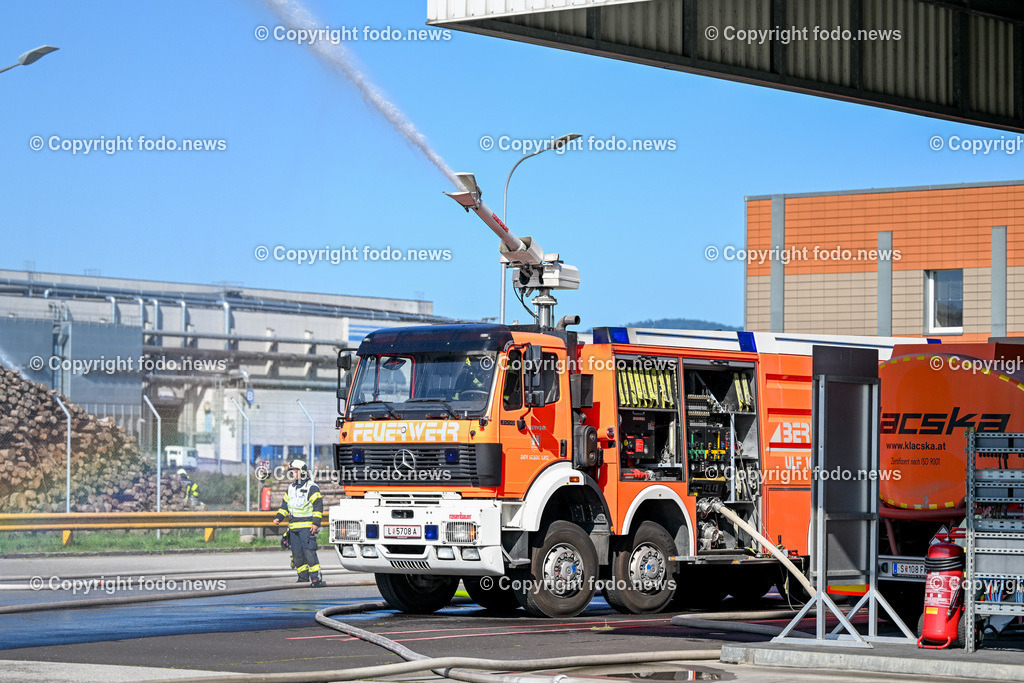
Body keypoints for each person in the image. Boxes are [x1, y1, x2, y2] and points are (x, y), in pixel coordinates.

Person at [273, 459, 325, 587]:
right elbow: (285, 506)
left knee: (309, 553)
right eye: (291, 472)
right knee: (297, 554)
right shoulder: (291, 488)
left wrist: (316, 523)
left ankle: (315, 579)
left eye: (295, 471)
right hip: (293, 528)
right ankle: (302, 578)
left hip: (307, 528)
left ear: (302, 472)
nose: (292, 474)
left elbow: (318, 507)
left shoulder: (312, 487)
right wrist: (279, 517)